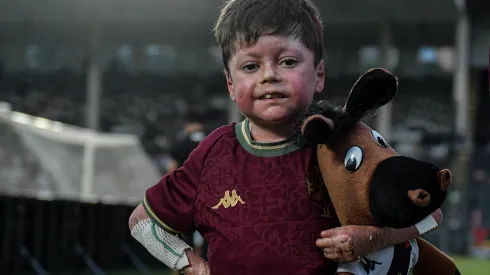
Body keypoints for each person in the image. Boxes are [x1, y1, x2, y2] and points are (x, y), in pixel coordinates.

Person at [128, 0, 442, 274]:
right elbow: (142, 222)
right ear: (230, 85)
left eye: (288, 61)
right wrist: (193, 267)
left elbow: (431, 212)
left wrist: (371, 238)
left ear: (319, 74)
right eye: (250, 65)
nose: (269, 75)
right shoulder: (213, 153)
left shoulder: (344, 142)